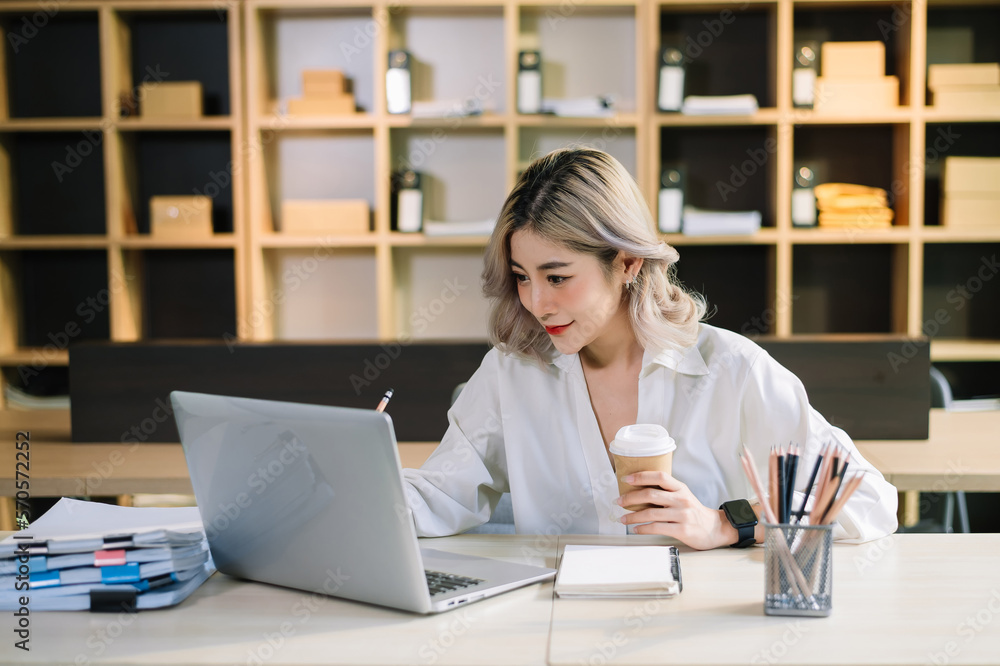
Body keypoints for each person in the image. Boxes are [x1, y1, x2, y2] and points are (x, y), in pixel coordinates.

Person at [401, 147, 898, 549]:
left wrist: (727, 525)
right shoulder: (511, 374)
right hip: (558, 631)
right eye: (521, 278)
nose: (537, 303)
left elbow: (870, 500)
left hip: (693, 635)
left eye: (557, 277)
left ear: (627, 262)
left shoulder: (731, 370)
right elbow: (441, 493)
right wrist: (341, 491)